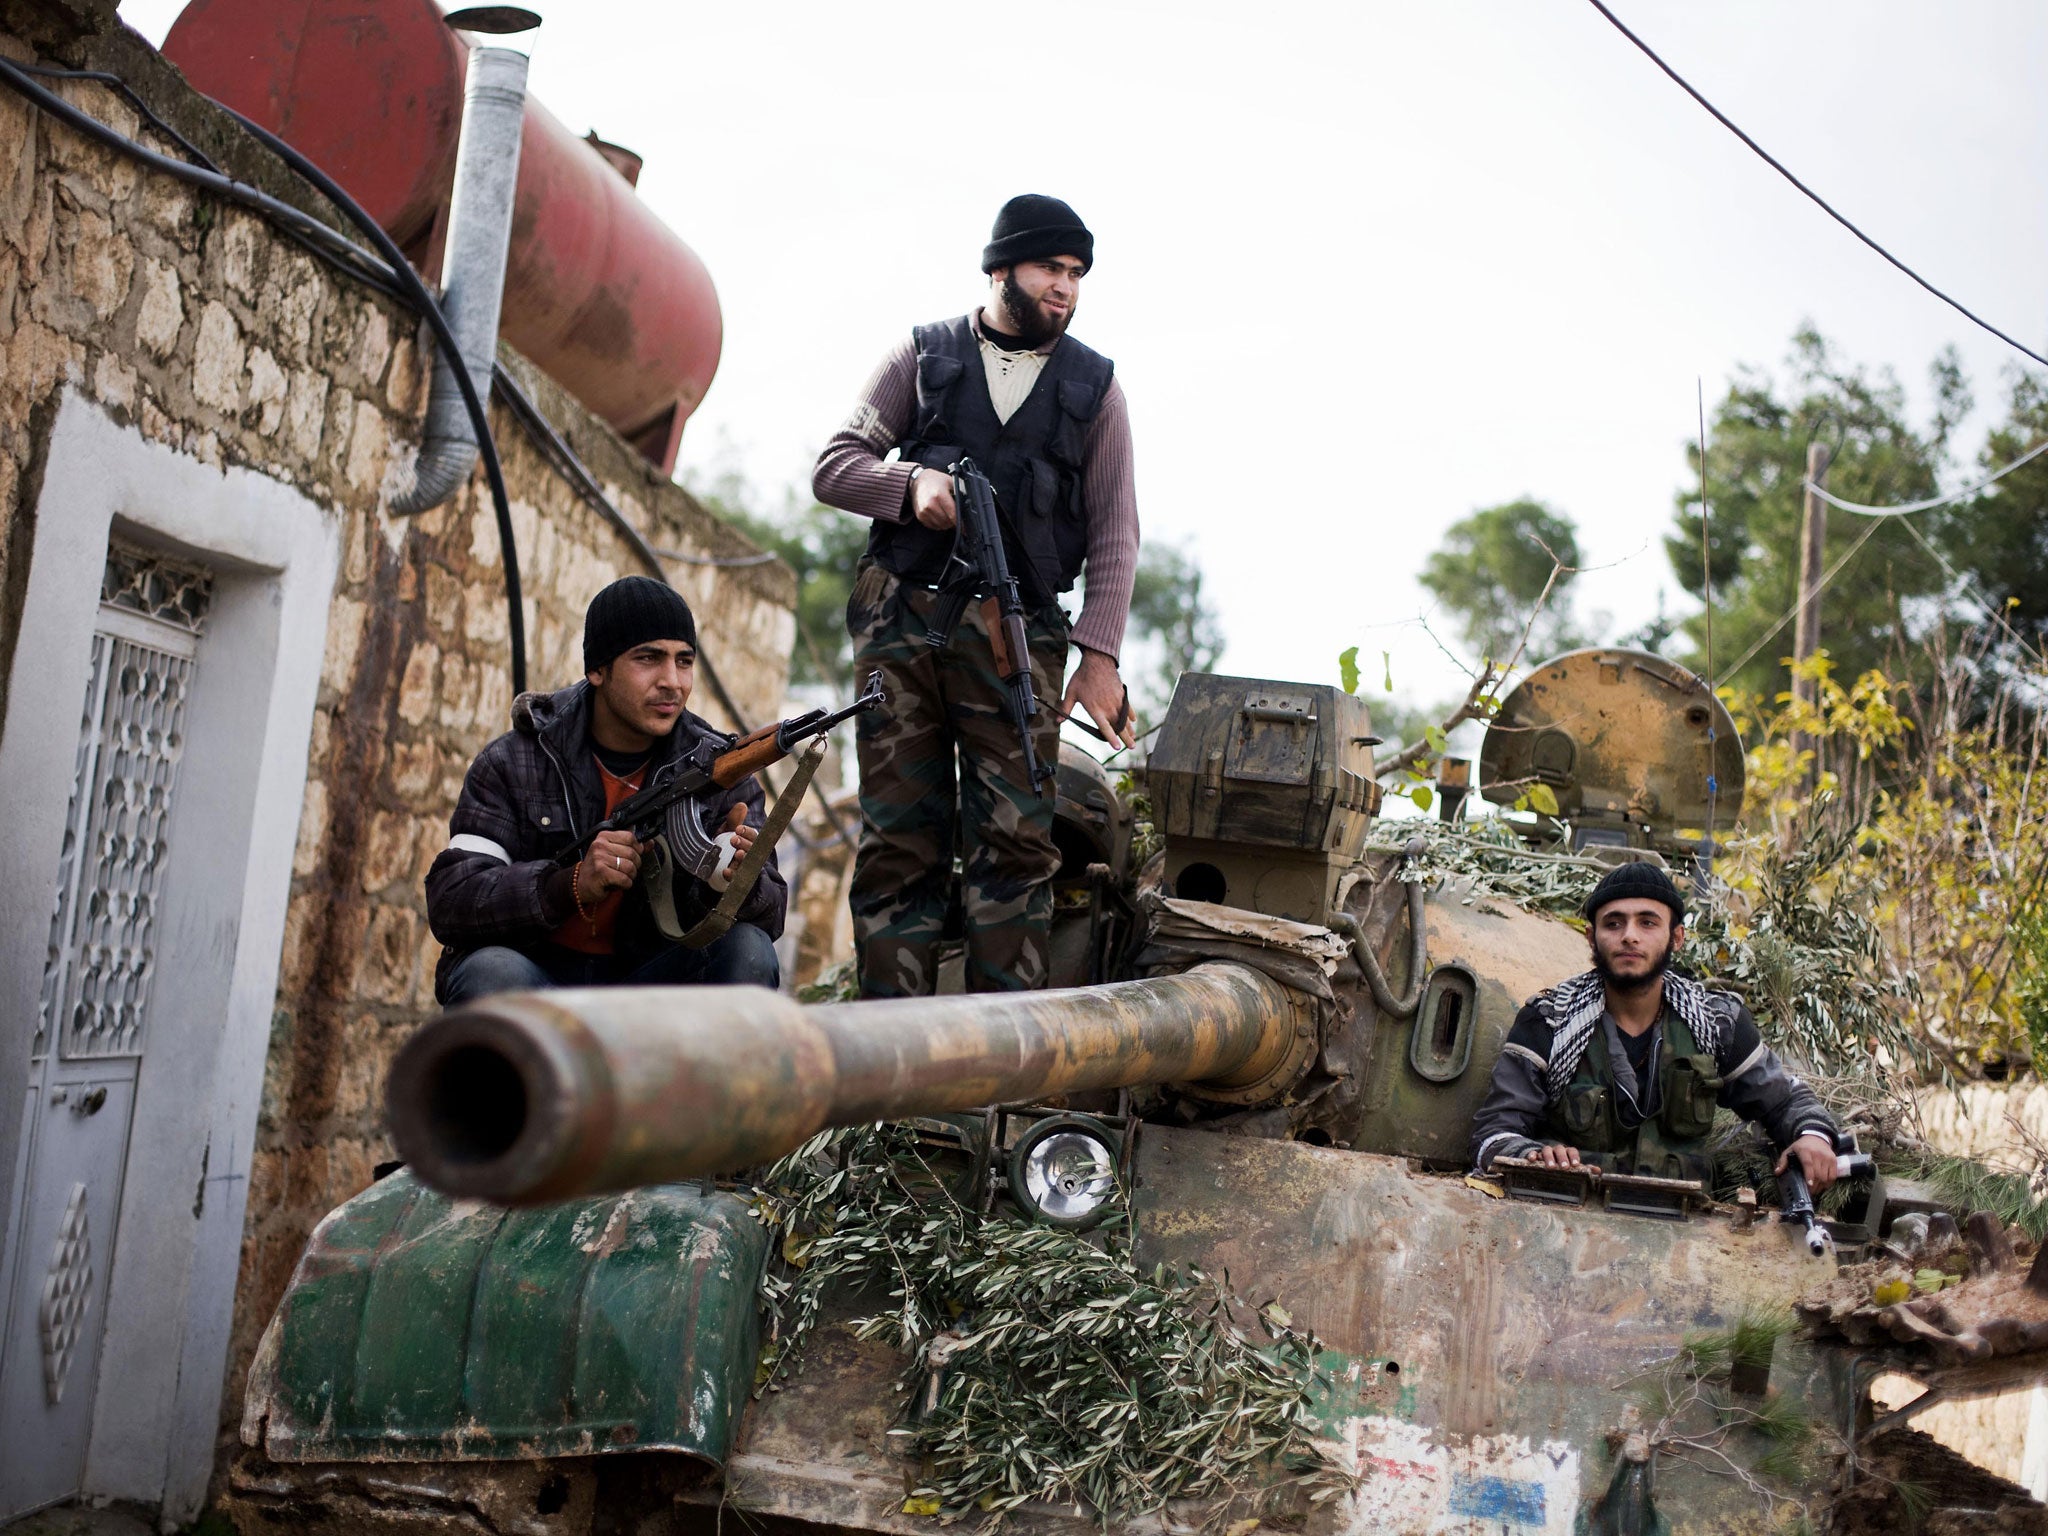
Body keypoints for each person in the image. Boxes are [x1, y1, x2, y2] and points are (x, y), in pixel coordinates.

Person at [813, 193, 1140, 997]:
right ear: (1000, 269)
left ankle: (997, 1069)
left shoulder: (1095, 389)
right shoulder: (922, 357)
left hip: (1015, 637)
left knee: (1016, 850)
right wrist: (909, 483)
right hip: (901, 625)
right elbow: (834, 465)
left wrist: (1098, 659)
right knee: (899, 845)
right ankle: (887, 1068)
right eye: (1049, 269)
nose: (1065, 288)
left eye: (1076, 274)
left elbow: (1116, 534)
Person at [425, 576, 784, 1004]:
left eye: (684, 661)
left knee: (749, 952)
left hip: (651, 989)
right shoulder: (514, 762)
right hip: (536, 980)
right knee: (489, 971)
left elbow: (773, 911)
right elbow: (453, 900)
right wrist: (567, 884)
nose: (672, 681)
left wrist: (727, 881)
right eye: (648, 658)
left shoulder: (721, 769)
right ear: (597, 669)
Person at [1468, 861, 1841, 1191]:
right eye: (1614, 923)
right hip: (1570, 1221)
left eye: (1647, 922)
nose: (1629, 935)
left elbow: (1785, 1100)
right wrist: (1534, 1154)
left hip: (1690, 1234)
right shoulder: (1548, 1022)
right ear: (1591, 938)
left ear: (1676, 937)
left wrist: (1813, 1138)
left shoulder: (1716, 1024)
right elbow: (1493, 1133)